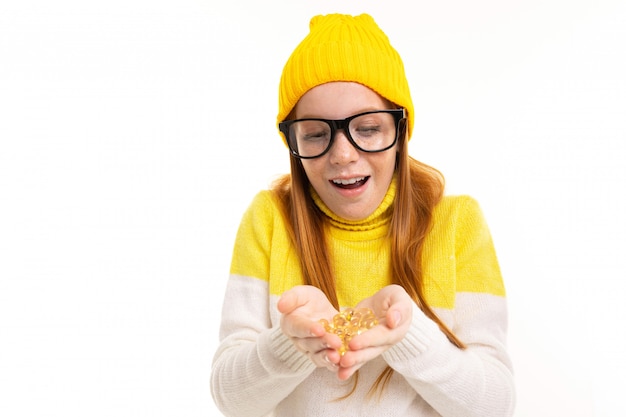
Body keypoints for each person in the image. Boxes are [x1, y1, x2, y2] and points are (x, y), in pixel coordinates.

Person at [210, 13, 515, 417]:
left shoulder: (456, 222)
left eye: (367, 128)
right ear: (292, 141)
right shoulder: (269, 218)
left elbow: (496, 405)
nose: (342, 154)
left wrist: (407, 332)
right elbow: (231, 400)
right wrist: (290, 343)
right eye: (316, 134)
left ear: (400, 130)